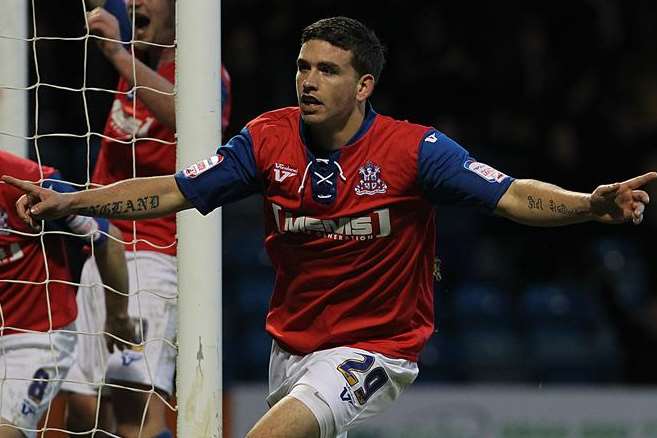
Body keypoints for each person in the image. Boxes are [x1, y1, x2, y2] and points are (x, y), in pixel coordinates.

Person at [3, 16, 655, 438]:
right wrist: (74, 201)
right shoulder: (266, 139)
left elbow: (511, 196)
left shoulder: (414, 151)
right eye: (302, 67)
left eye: (327, 70)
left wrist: (588, 204)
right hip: (291, 346)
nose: (308, 81)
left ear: (363, 84)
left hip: (374, 348)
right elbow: (173, 190)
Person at [58, 1, 232, 437]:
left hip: (156, 258)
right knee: (80, 405)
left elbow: (193, 123)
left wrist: (119, 54)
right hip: (107, 252)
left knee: (134, 411)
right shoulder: (137, 65)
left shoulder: (207, 76)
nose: (134, 2)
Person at [0, 150, 131, 438]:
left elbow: (109, 241)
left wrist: (118, 315)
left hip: (36, 337)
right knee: (83, 417)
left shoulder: (31, 183)